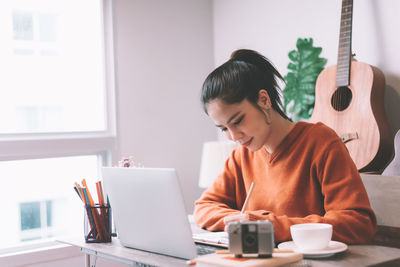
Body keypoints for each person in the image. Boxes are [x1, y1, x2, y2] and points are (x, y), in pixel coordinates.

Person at [193, 49, 376, 244]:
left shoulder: (321, 143)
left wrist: (266, 225)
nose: (234, 136)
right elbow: (204, 207)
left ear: (264, 100)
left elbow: (358, 223)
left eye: (238, 121)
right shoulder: (241, 157)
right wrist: (240, 222)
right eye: (223, 129)